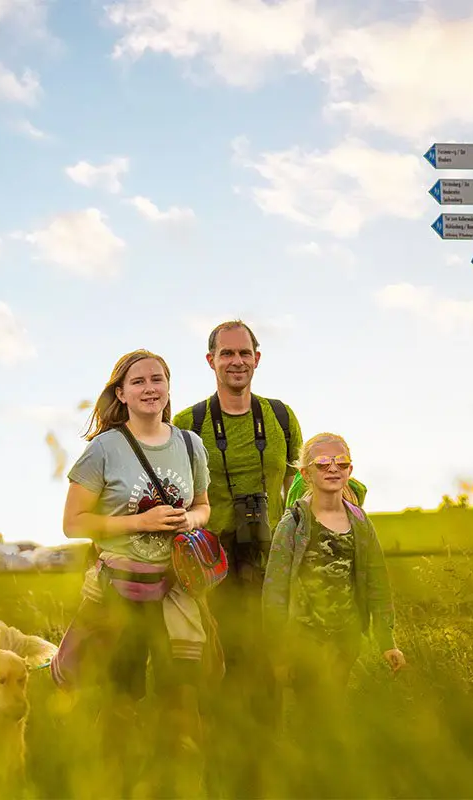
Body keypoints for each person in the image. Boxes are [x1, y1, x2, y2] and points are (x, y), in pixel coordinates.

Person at [53, 349, 214, 796]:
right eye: (138, 382)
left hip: (176, 590)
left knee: (182, 699)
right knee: (121, 700)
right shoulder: (104, 448)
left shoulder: (188, 444)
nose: (149, 388)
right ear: (121, 393)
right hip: (121, 592)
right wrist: (139, 522)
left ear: (168, 387)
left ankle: (179, 784)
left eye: (157, 379)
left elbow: (203, 505)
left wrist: (192, 521)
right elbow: (73, 523)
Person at [172, 320, 302, 792]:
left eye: (244, 353)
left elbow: (296, 487)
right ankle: (221, 780)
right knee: (221, 672)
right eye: (226, 354)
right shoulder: (189, 423)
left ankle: (262, 778)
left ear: (257, 358)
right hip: (214, 563)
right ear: (211, 361)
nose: (236, 361)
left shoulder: (281, 417)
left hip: (272, 558)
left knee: (269, 673)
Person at [262, 432, 405, 733]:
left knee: (337, 716)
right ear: (306, 473)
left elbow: (377, 581)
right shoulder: (293, 524)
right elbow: (274, 590)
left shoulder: (361, 523)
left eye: (341, 462)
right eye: (323, 463)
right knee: (310, 719)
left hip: (346, 641)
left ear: (350, 471)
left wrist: (386, 641)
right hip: (304, 642)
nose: (333, 469)